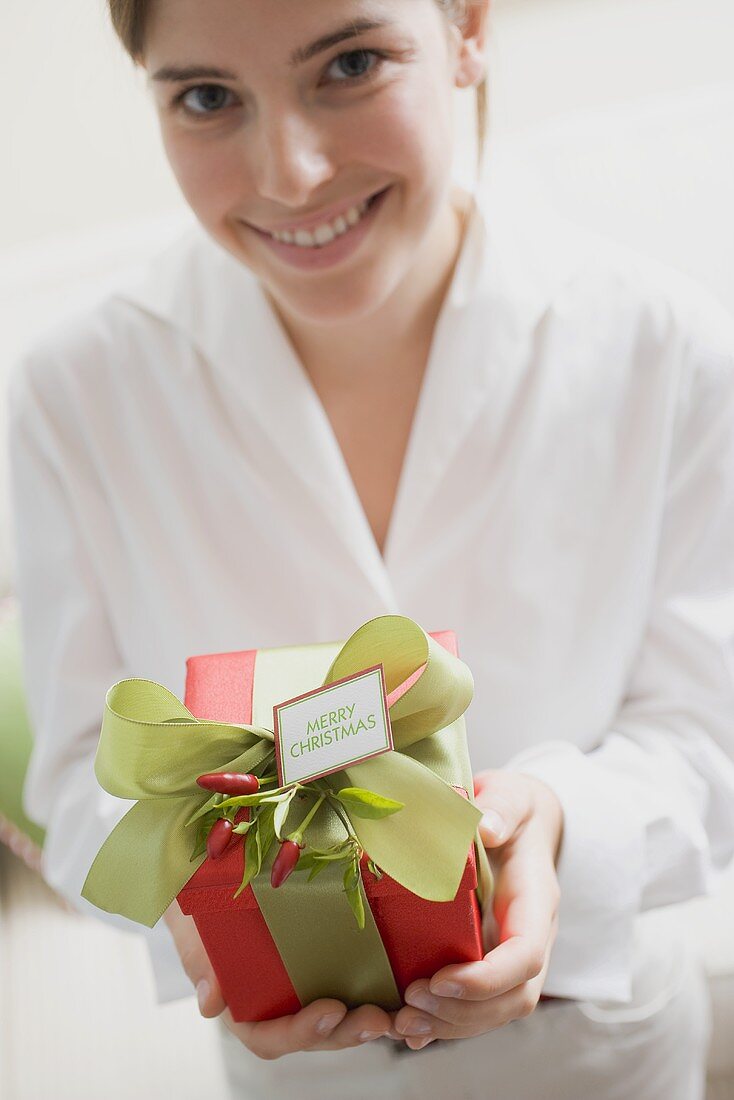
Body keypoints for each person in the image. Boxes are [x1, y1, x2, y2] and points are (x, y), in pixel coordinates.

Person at [6, 0, 734, 1097]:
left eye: (349, 64)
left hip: (600, 1055)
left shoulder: (665, 346)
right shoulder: (71, 394)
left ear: (468, 30)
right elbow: (75, 771)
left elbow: (707, 733)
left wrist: (558, 821)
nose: (290, 172)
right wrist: (201, 907)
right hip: (295, 1076)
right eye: (207, 98)